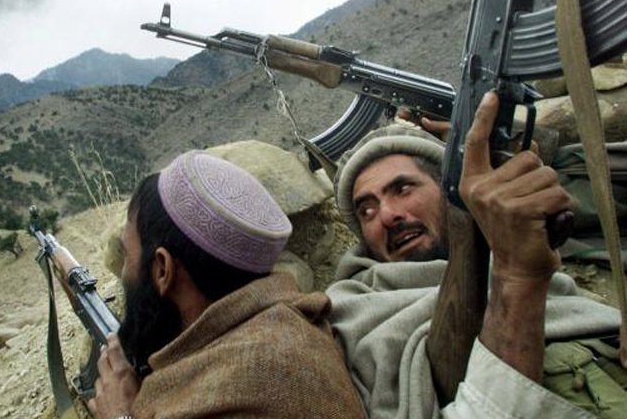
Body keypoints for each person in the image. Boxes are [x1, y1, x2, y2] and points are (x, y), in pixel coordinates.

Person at [327, 92, 623, 418]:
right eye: (367, 210)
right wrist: (516, 277)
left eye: (403, 189)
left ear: (451, 194)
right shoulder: (353, 312)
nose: (387, 215)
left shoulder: (526, 255)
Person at [87, 150, 366, 418]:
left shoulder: (225, 393)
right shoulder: (292, 324)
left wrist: (120, 415)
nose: (124, 271)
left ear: (163, 269)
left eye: (128, 255)